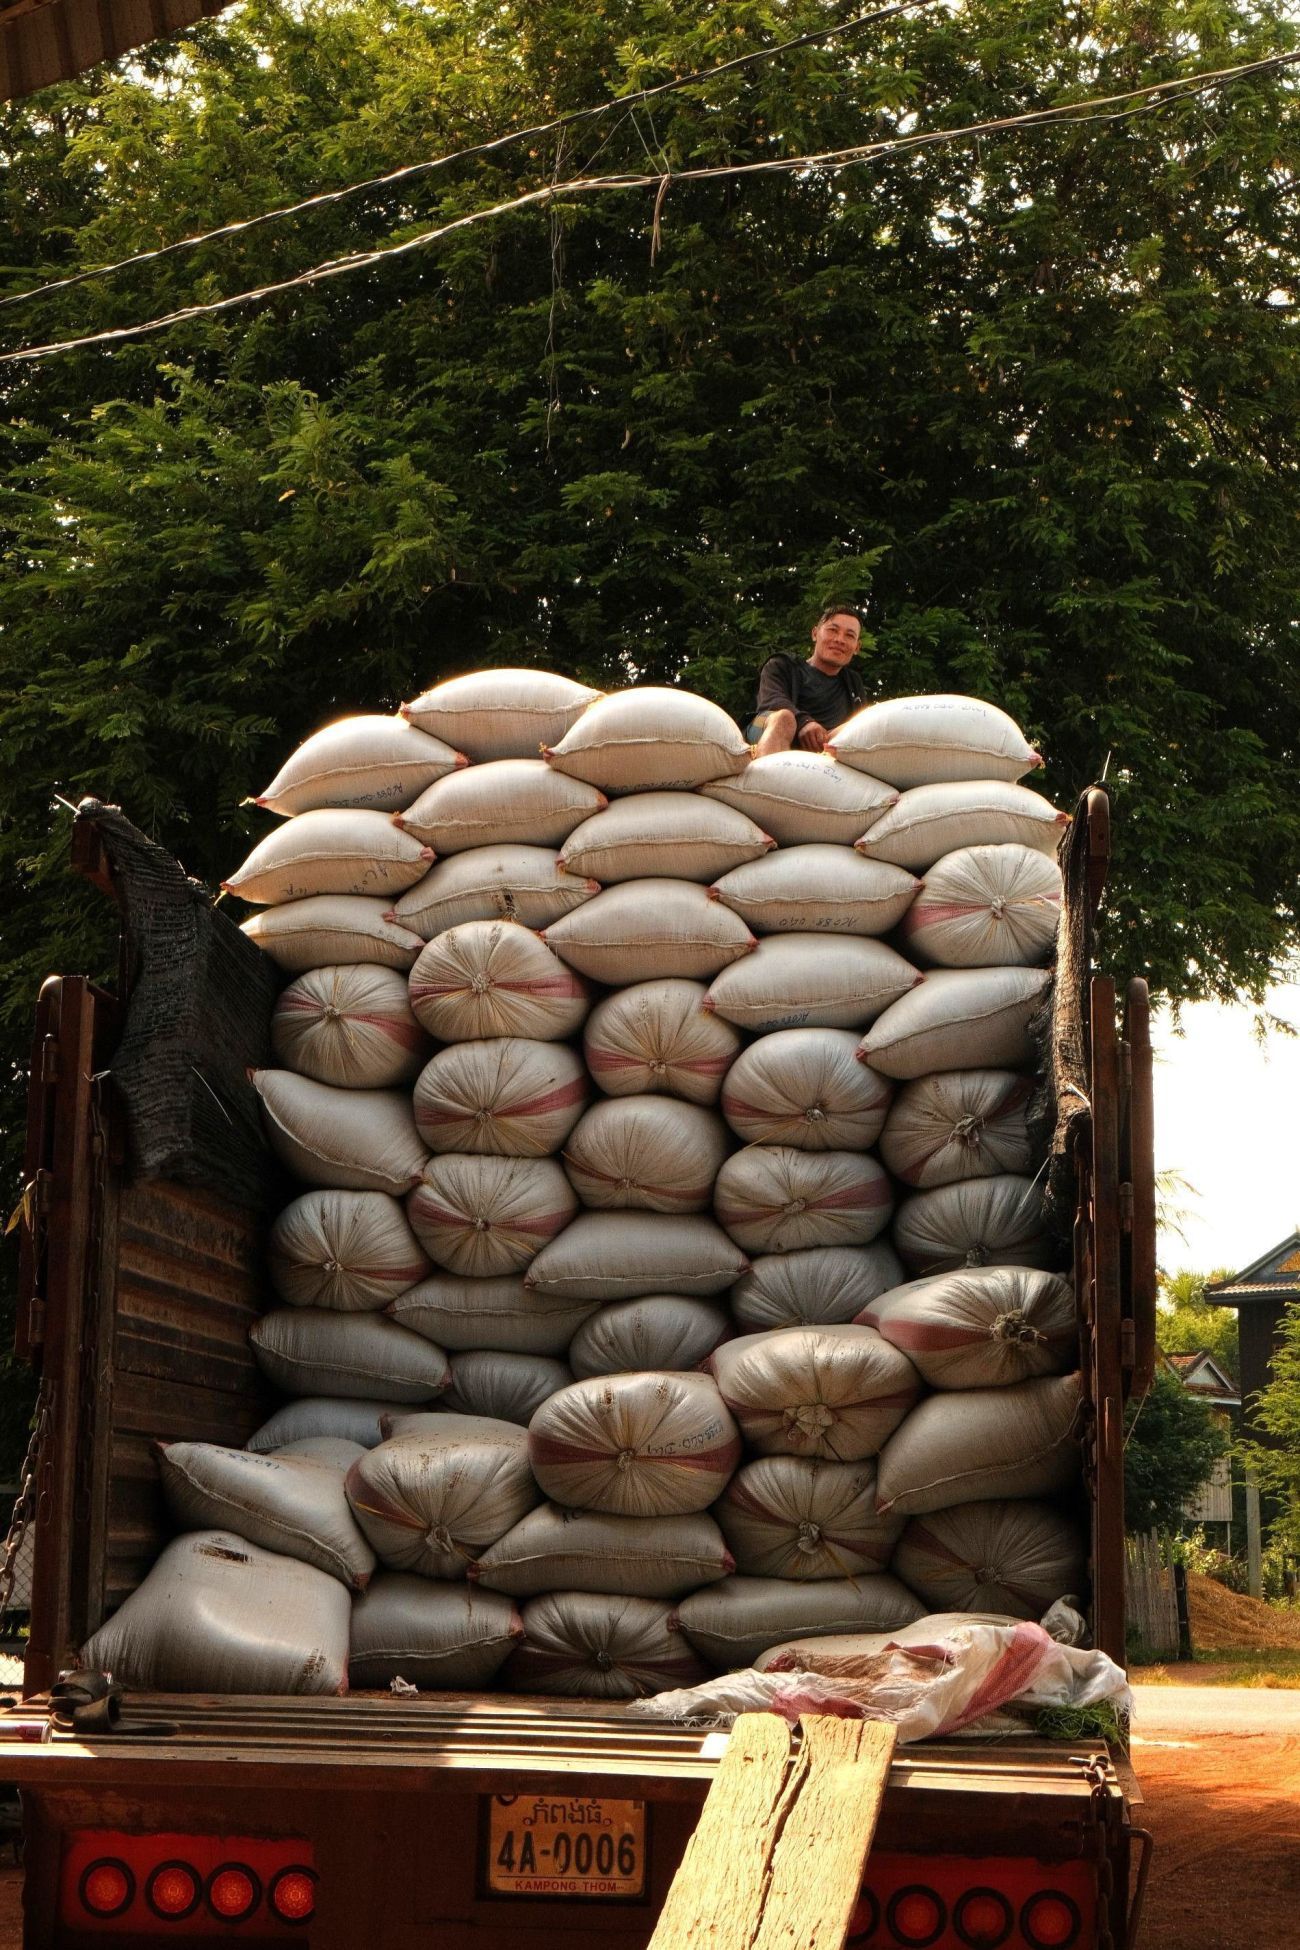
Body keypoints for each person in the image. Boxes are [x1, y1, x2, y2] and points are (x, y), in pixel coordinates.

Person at [747, 606, 867, 756]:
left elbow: (858, 726)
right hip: (769, 729)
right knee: (784, 718)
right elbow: (771, 701)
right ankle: (767, 777)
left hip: (824, 745)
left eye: (849, 635)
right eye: (832, 630)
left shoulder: (853, 683)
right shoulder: (781, 665)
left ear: (857, 647)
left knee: (862, 726)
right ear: (815, 633)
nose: (839, 640)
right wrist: (804, 722)